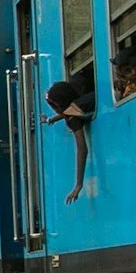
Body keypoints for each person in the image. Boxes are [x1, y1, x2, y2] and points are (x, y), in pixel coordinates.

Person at [47, 72, 98, 202]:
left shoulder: (72, 118)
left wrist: (78, 185)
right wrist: (52, 119)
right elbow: (68, 111)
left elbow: (82, 149)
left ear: (59, 105)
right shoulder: (80, 99)